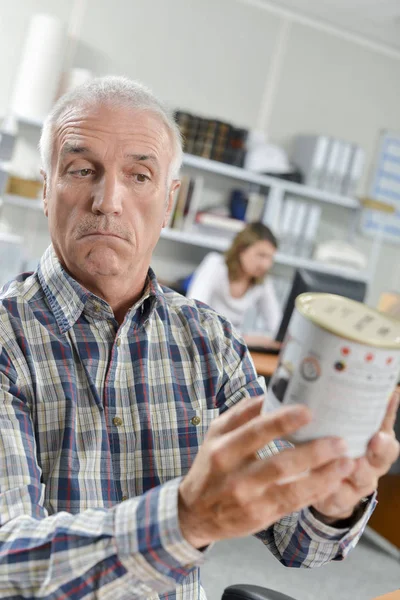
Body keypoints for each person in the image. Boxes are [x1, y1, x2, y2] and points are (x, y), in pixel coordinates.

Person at [0, 76, 398, 600]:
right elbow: (9, 566)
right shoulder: (9, 339)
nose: (108, 201)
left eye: (139, 176)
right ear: (47, 188)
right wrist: (183, 520)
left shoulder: (210, 339)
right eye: (81, 169)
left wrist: (334, 498)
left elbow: (298, 539)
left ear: (169, 203)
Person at [187, 222, 282, 348]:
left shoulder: (262, 282)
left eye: (270, 258)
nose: (266, 265)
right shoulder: (215, 265)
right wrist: (247, 338)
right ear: (242, 250)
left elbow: (277, 326)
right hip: (202, 344)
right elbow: (192, 312)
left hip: (230, 349)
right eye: (261, 255)